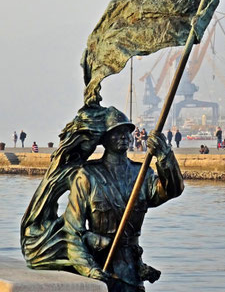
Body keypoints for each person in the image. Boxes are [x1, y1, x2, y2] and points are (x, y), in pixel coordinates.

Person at [21, 106, 184, 292]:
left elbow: (172, 190)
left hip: (132, 270)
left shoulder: (142, 174)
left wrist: (165, 156)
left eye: (126, 132)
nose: (123, 136)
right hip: (101, 265)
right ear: (104, 139)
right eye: (116, 132)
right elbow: (73, 231)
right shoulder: (87, 175)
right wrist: (89, 269)